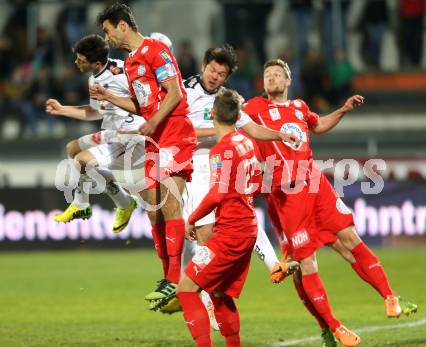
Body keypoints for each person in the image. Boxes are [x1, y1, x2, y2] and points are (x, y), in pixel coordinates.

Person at [244, 59, 417, 346]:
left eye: (278, 74)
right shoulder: (252, 109)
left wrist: (343, 110)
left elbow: (319, 124)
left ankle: (390, 297)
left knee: (351, 240)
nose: (272, 77)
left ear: (288, 82)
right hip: (286, 195)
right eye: (267, 75)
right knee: (305, 265)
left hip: (315, 184)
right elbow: (231, 121)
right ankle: (332, 327)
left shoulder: (299, 107)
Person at [170, 45, 298, 319]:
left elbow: (250, 127)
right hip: (197, 167)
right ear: (204, 66)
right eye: (213, 70)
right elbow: (180, 130)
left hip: (224, 160)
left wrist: (279, 135)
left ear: (227, 78)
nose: (215, 76)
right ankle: (209, 296)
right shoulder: (184, 90)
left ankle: (273, 265)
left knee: (240, 214)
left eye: (222, 74)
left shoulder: (226, 101)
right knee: (205, 235)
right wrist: (218, 130)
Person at [92, 3, 197, 309]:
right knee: (153, 209)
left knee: (170, 202)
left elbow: (175, 92)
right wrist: (110, 96)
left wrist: (153, 121)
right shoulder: (130, 63)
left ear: (122, 25)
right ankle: (167, 278)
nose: (107, 38)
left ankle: (175, 280)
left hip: (175, 131)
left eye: (108, 31)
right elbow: (143, 105)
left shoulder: (156, 50)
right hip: (154, 137)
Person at [177, 88, 259, 347]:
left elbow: (217, 193)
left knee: (186, 289)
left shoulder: (221, 151)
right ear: (238, 115)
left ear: (212, 113)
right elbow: (255, 181)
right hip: (247, 228)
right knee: (218, 290)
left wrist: (193, 218)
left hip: (229, 235)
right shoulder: (247, 142)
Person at [46, 34, 143, 232]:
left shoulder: (122, 75)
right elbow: (96, 112)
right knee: (72, 148)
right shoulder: (95, 78)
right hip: (112, 132)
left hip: (129, 137)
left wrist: (111, 97)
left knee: (82, 161)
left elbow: (144, 103)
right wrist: (62, 109)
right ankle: (121, 203)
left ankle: (87, 205)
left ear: (96, 62)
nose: (76, 63)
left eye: (81, 60)